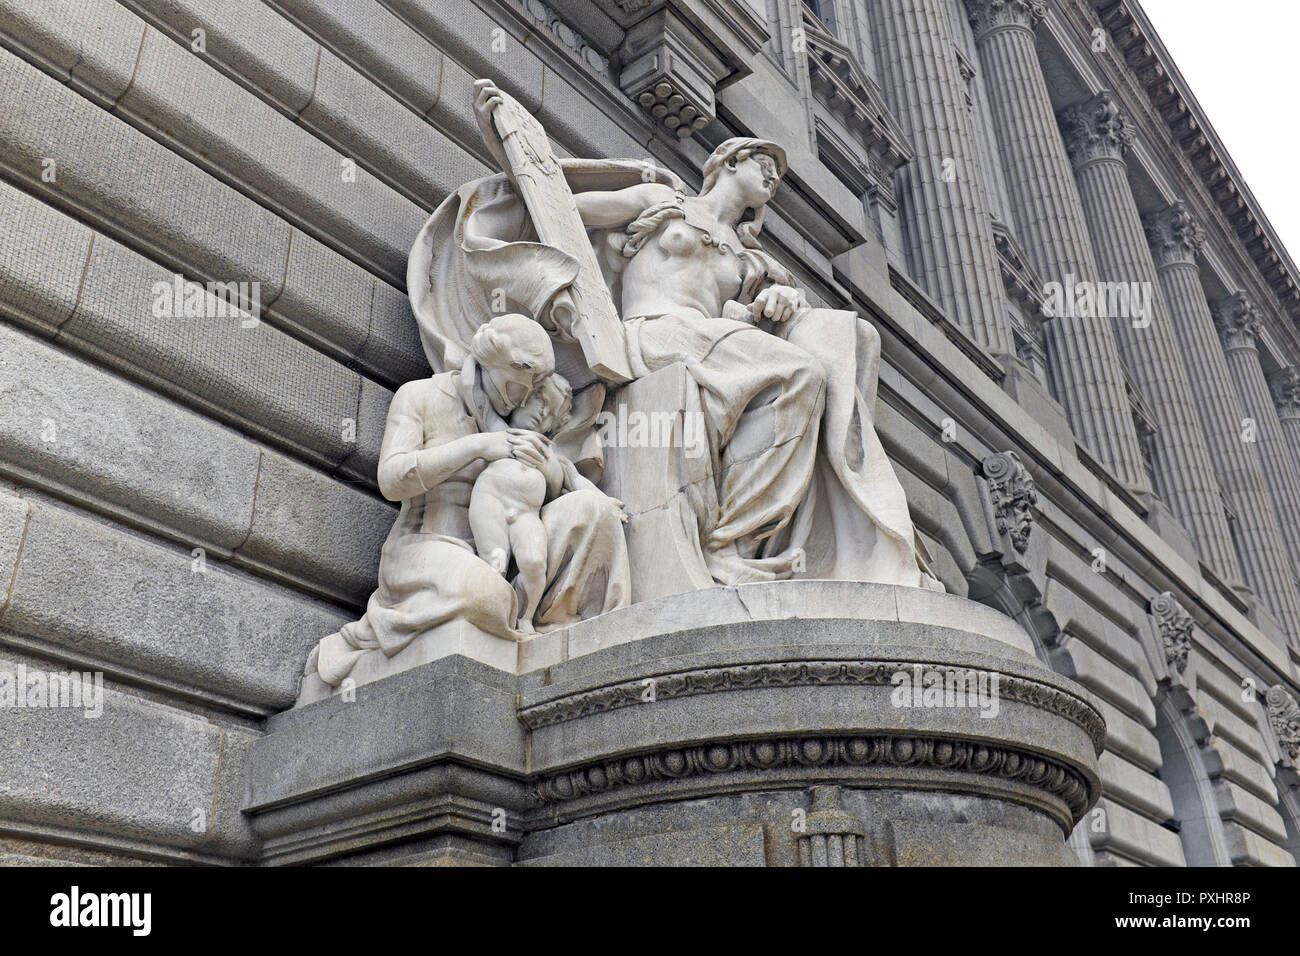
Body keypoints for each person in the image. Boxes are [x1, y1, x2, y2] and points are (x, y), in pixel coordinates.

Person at [305, 313, 630, 688]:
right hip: (425, 548)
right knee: (486, 596)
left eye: (528, 391)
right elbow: (392, 480)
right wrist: (477, 445)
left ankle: (565, 630)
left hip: (506, 552)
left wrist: (552, 471)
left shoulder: (513, 416)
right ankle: (497, 612)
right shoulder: (421, 396)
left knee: (593, 511)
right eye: (515, 388)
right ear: (490, 365)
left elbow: (542, 490)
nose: (523, 400)